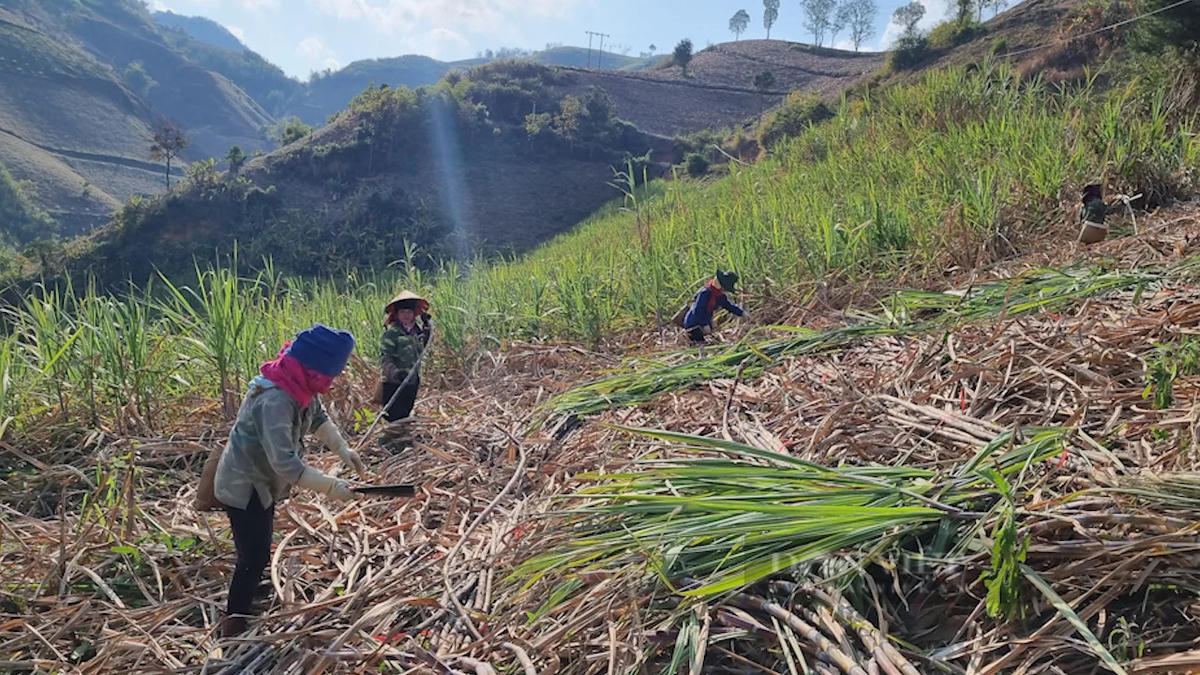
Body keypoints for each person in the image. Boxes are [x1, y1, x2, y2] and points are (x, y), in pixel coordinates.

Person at [213, 323, 366, 637]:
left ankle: (251, 591)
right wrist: (331, 487)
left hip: (261, 484)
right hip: (244, 486)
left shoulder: (300, 383)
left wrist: (342, 449)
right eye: (328, 376)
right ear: (313, 368)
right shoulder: (276, 400)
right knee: (252, 555)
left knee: (258, 546)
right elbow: (285, 464)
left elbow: (318, 418)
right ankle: (234, 622)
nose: (330, 383)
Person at [379, 290, 431, 423]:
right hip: (394, 382)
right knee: (393, 416)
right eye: (402, 312)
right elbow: (385, 358)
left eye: (409, 312)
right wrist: (396, 373)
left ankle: (404, 439)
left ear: (414, 314)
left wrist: (427, 327)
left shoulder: (417, 332)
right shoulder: (391, 334)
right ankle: (391, 440)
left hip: (412, 380)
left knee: (406, 412)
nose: (406, 315)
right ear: (396, 314)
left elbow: (424, 347)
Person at [682, 270, 745, 344]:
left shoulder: (719, 296)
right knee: (700, 341)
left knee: (708, 336)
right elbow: (697, 311)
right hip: (693, 324)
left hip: (704, 322)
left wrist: (741, 313)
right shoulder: (705, 293)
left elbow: (728, 305)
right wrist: (704, 324)